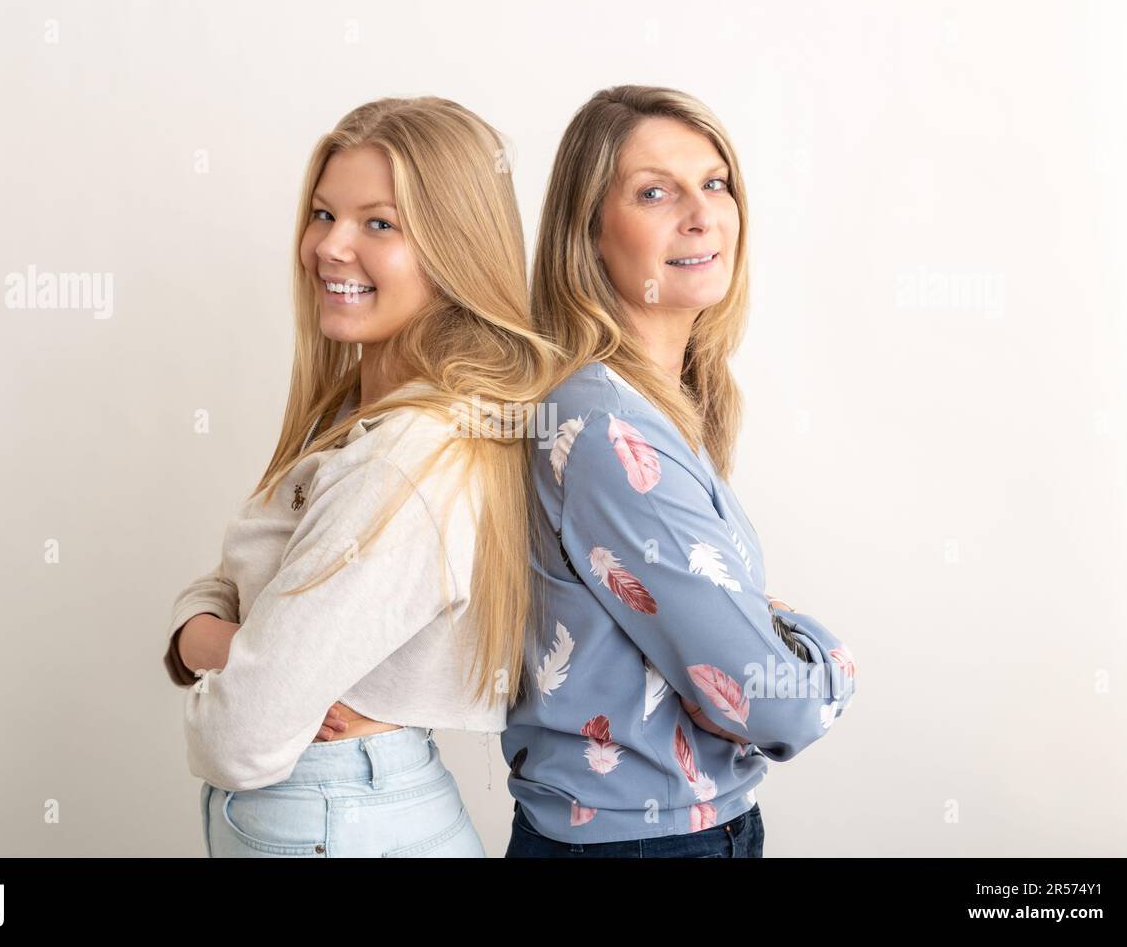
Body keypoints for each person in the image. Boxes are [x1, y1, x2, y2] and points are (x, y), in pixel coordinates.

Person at [164, 96, 560, 857]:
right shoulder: (357, 414)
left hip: (330, 809)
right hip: (338, 805)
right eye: (322, 214)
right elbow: (226, 588)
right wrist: (214, 642)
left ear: (457, 250)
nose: (329, 248)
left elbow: (240, 733)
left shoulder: (410, 456)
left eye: (380, 223)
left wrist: (223, 650)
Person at [503, 84, 858, 858]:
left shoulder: (648, 406)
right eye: (655, 191)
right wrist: (820, 651)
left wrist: (753, 634)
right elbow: (775, 703)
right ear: (589, 232)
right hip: (646, 846)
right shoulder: (606, 432)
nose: (702, 214)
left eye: (716, 182)